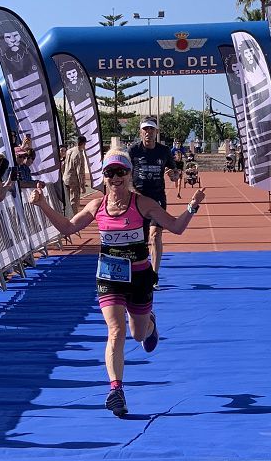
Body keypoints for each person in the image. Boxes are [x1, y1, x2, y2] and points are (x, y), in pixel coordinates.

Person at [29, 151, 206, 417]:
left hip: (139, 277)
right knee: (115, 331)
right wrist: (42, 205)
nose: (115, 178)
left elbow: (176, 227)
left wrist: (192, 206)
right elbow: (67, 228)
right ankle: (116, 390)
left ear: (129, 175)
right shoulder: (97, 205)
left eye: (120, 172)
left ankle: (151, 325)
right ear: (104, 177)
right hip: (109, 277)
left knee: (137, 333)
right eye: (110, 173)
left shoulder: (142, 203)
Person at [128, 117, 177, 276]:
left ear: (156, 132)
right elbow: (125, 175)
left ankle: (154, 275)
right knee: (139, 239)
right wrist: (131, 190)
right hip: (138, 199)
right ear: (140, 132)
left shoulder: (164, 151)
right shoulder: (133, 151)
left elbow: (175, 174)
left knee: (155, 235)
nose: (148, 132)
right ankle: (139, 270)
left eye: (151, 129)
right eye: (145, 129)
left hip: (157, 199)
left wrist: (174, 175)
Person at [63, 136, 89, 215]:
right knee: (74, 200)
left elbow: (64, 164)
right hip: (74, 180)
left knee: (66, 200)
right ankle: (74, 218)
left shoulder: (69, 151)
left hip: (66, 177)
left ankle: (66, 216)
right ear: (83, 143)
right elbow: (80, 172)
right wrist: (82, 186)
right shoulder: (79, 154)